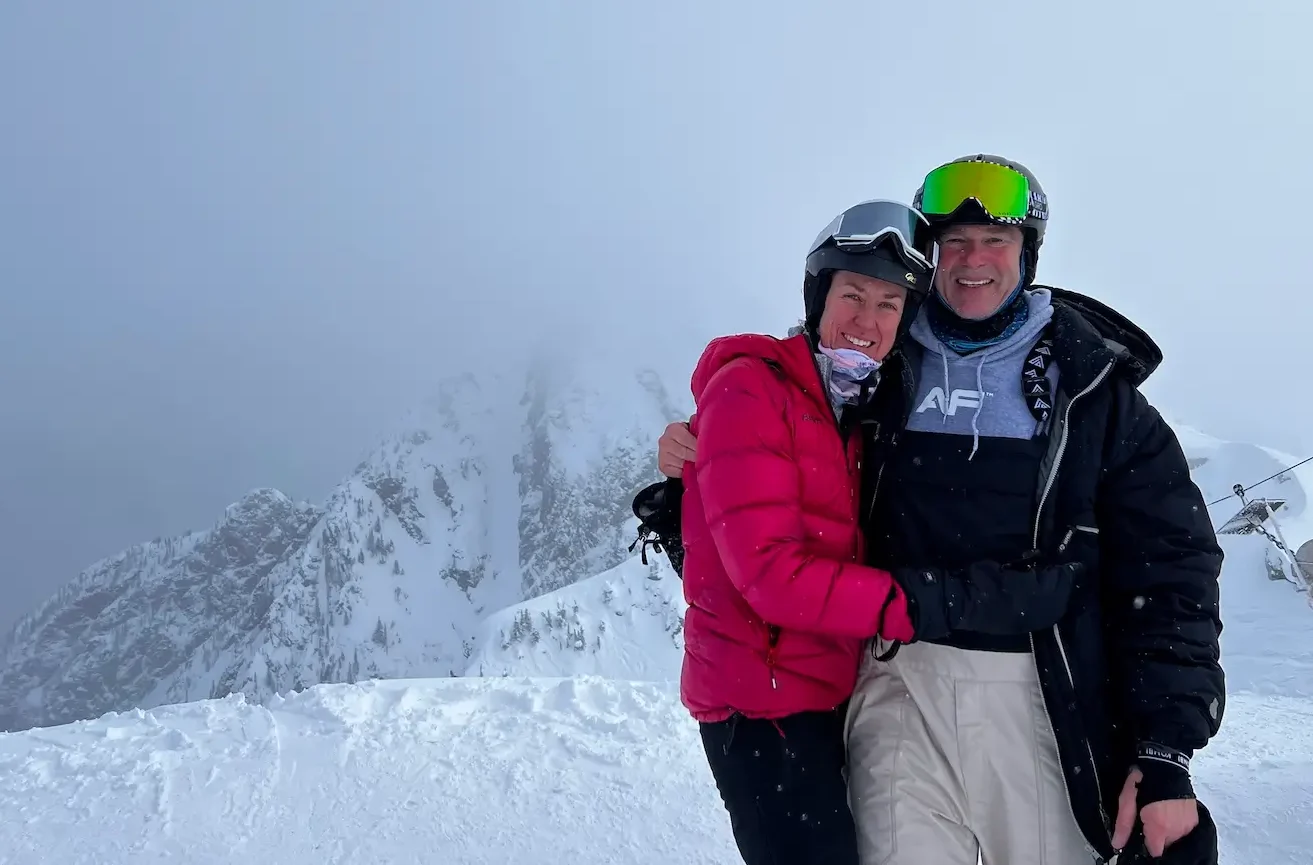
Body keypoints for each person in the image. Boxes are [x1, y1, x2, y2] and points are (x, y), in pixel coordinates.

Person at [641, 156, 1225, 865]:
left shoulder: (1092, 394)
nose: (972, 260)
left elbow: (1170, 569)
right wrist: (695, 472)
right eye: (953, 242)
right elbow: (785, 479)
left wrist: (1165, 748)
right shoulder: (877, 376)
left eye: (995, 242)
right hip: (895, 685)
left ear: (1027, 255)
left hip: (1040, 696)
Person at [667, 198, 1086, 865]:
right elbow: (773, 575)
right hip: (761, 706)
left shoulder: (854, 405)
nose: (866, 320)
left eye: (889, 304)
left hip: (828, 689)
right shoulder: (752, 388)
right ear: (817, 296)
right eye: (852, 295)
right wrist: (937, 600)